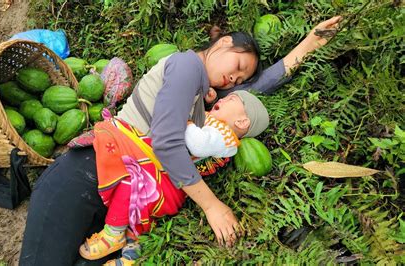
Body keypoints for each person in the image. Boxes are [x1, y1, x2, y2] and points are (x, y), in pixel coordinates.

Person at [19, 16, 342, 266]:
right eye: (238, 66)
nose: (235, 79)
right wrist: (212, 206)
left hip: (120, 199)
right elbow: (166, 143)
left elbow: (258, 92)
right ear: (224, 43)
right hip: (88, 173)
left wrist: (310, 44)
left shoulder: (208, 100)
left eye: (241, 80)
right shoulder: (187, 65)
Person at [77, 89, 269, 262]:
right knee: (136, 199)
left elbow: (197, 143)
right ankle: (131, 250)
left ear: (242, 122)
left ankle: (113, 233)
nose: (224, 99)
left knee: (130, 183)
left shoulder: (225, 138)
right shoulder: (212, 123)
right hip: (167, 170)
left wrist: (180, 115)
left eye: (231, 99)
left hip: (169, 178)